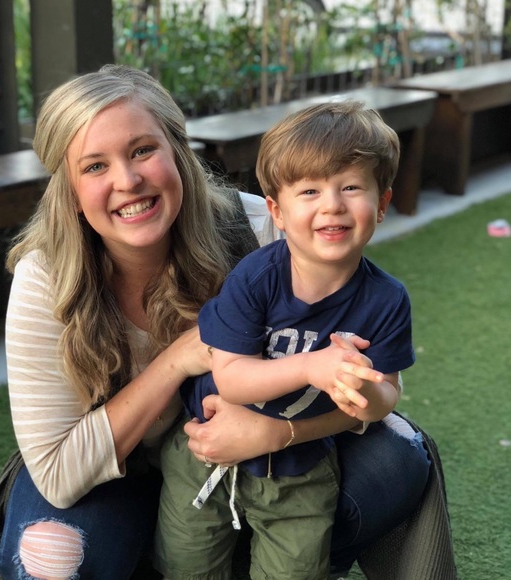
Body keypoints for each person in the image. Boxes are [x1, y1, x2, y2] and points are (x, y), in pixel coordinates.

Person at [0, 64, 436, 580]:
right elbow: (59, 475)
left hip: (254, 462)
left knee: (398, 457)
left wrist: (279, 432)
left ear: (178, 151)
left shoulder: (265, 227)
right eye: (94, 166)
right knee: (52, 557)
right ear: (68, 186)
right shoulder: (46, 278)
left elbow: (372, 389)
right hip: (116, 477)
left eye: (142, 150)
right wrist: (178, 359)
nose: (127, 181)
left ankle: (266, 557)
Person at [154, 101, 415, 580]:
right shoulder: (256, 277)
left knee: (295, 571)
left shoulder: (387, 299)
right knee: (187, 565)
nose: (332, 204)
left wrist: (365, 390)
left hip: (302, 467)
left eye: (351, 187)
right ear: (277, 211)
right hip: (206, 451)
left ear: (381, 203)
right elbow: (231, 379)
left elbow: (387, 396)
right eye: (310, 190)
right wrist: (313, 366)